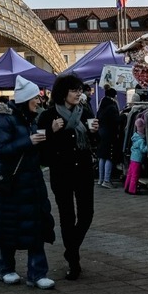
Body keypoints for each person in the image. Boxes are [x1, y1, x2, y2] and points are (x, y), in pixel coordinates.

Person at [0, 76, 55, 289]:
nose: (39, 101)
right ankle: (6, 268)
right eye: (35, 97)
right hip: (12, 183)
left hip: (32, 181)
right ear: (26, 98)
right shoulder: (5, 118)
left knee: (35, 226)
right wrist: (28, 141)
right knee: (10, 226)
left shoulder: (31, 118)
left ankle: (37, 272)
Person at [38, 74, 98, 282]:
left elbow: (93, 141)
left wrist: (94, 132)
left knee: (87, 213)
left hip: (83, 170)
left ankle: (70, 249)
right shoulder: (48, 116)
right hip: (61, 171)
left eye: (80, 90)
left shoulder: (85, 112)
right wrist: (51, 131)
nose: (78, 93)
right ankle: (74, 261)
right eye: (74, 90)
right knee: (67, 216)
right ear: (63, 92)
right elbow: (40, 147)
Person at [96, 86, 121, 188]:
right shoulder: (112, 106)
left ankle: (101, 179)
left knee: (102, 156)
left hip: (102, 133)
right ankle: (106, 180)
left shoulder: (102, 106)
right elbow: (116, 120)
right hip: (110, 134)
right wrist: (123, 117)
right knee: (109, 156)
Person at [124, 116, 148, 194]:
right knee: (135, 175)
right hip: (137, 159)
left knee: (130, 174)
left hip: (132, 158)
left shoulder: (135, 137)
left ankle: (127, 187)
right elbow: (143, 150)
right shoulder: (141, 140)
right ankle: (132, 190)